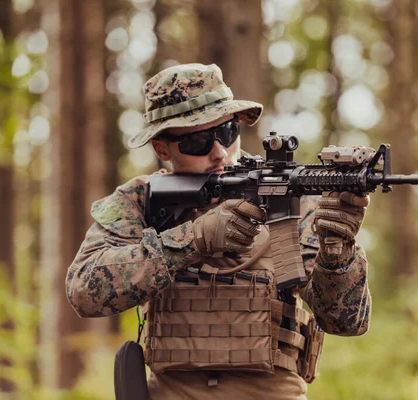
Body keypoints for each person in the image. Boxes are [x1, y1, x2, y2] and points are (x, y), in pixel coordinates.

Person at [66, 63, 371, 400]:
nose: (219, 152)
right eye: (198, 142)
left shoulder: (290, 198)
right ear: (162, 148)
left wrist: (337, 249)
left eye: (227, 132)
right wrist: (192, 240)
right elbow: (83, 289)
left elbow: (346, 321)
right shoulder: (139, 201)